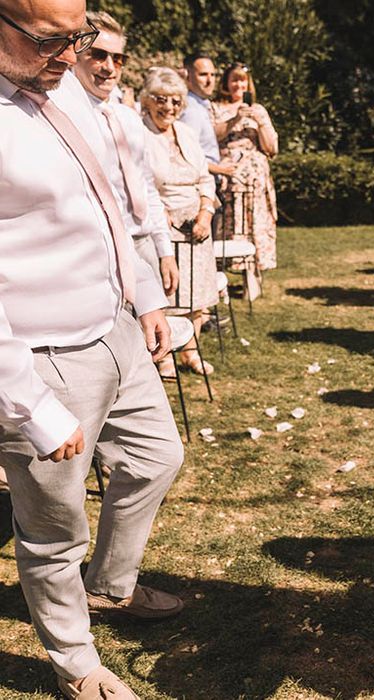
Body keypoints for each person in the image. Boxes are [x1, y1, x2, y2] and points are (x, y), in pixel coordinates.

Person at [0, 1, 185, 697]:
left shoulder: (63, 83)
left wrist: (146, 296)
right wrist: (33, 410)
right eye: (50, 39)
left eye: (76, 36)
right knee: (53, 530)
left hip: (116, 332)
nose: (71, 54)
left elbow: (107, 203)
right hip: (40, 359)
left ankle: (110, 588)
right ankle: (76, 665)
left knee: (157, 457)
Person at [73, 10, 179, 298]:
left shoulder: (129, 118)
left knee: (154, 336)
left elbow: (146, 185)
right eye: (99, 55)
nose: (110, 67)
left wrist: (164, 249)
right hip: (102, 249)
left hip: (144, 241)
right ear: (75, 53)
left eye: (118, 58)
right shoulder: (66, 117)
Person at [142, 67, 219, 376]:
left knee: (198, 295)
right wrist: (164, 218)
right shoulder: (140, 134)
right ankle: (163, 356)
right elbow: (142, 185)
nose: (169, 107)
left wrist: (205, 214)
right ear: (147, 101)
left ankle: (190, 351)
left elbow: (205, 178)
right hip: (163, 225)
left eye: (175, 101)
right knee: (169, 295)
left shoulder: (186, 133)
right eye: (161, 100)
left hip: (197, 226)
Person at [212, 62, 279, 296]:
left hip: (256, 179)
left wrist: (260, 122)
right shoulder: (216, 108)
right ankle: (223, 278)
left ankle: (254, 274)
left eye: (242, 81)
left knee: (255, 224)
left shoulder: (259, 109)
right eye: (234, 80)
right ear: (226, 83)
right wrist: (234, 119)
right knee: (231, 226)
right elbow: (211, 135)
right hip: (229, 178)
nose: (238, 85)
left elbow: (272, 148)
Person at [180, 51, 236, 179]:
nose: (210, 80)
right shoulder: (191, 110)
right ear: (188, 76)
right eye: (203, 75)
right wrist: (220, 170)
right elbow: (187, 154)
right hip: (198, 182)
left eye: (213, 75)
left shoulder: (202, 106)